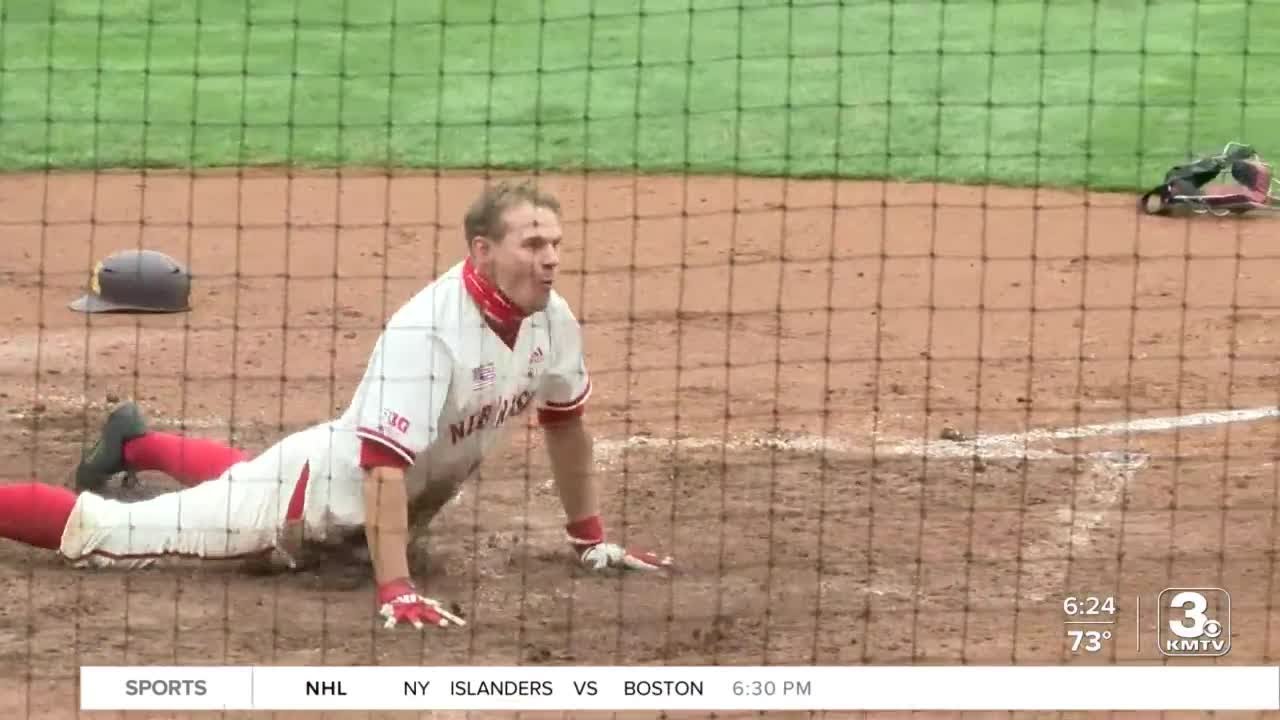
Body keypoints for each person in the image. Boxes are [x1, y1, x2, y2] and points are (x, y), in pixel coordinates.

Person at [0, 180, 673, 631]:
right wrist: (397, 590)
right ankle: (122, 457)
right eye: (534, 244)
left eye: (555, 243)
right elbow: (383, 471)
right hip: (308, 509)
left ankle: (135, 445)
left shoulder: (551, 318)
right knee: (107, 534)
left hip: (331, 472)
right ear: (483, 250)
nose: (552, 259)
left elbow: (565, 423)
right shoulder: (430, 328)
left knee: (249, 474)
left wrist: (590, 540)